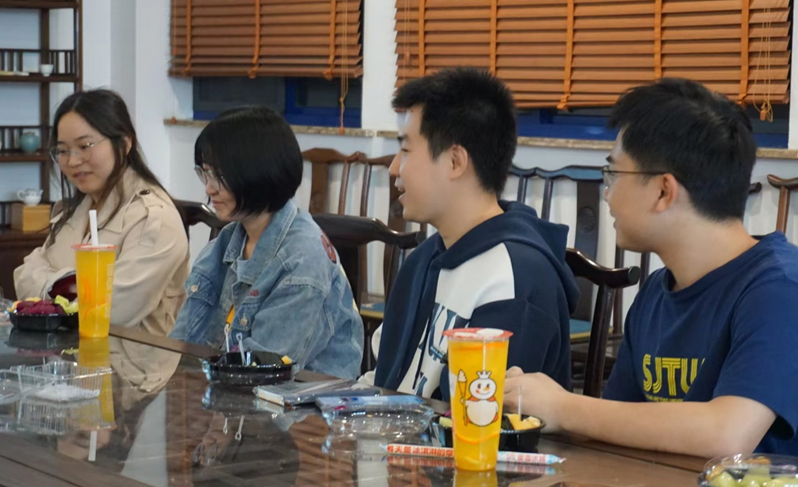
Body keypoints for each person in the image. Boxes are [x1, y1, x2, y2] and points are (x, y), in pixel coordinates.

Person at [503, 78, 798, 457]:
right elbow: (613, 423)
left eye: (613, 174)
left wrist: (564, 406)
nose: (606, 194)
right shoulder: (657, 292)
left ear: (663, 191)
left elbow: (727, 435)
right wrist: (530, 400)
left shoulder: (779, 290)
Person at [367, 68, 579, 400]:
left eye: (406, 151)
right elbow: (384, 380)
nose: (394, 168)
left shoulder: (516, 280)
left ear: (455, 161)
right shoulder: (423, 259)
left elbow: (482, 416)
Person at [169, 106, 364, 380]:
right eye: (205, 173)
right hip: (229, 395)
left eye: (220, 176)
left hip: (298, 403)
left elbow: (263, 373)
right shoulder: (227, 241)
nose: (209, 188)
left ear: (258, 172)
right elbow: (180, 346)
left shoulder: (302, 259)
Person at [14, 89, 189, 336]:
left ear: (125, 143)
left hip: (132, 358)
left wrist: (51, 287)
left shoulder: (154, 219)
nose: (73, 161)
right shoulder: (77, 208)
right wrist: (73, 286)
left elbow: (111, 309)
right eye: (63, 150)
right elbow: (23, 277)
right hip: (67, 351)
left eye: (85, 146)